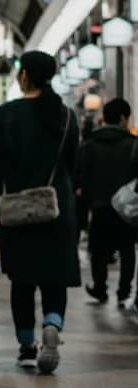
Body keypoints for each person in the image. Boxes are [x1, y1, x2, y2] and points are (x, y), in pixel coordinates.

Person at [0, 51, 80, 375]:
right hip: (57, 208)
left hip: (18, 210)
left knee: (22, 281)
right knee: (55, 278)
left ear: (24, 76)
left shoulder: (5, 115)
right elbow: (71, 165)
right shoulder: (66, 115)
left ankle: (26, 346)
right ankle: (52, 322)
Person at [77, 98, 137, 307]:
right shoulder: (133, 145)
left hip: (99, 206)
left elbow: (82, 179)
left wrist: (85, 207)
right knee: (127, 249)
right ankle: (124, 291)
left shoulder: (89, 145)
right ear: (123, 118)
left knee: (98, 250)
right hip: (127, 209)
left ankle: (100, 288)